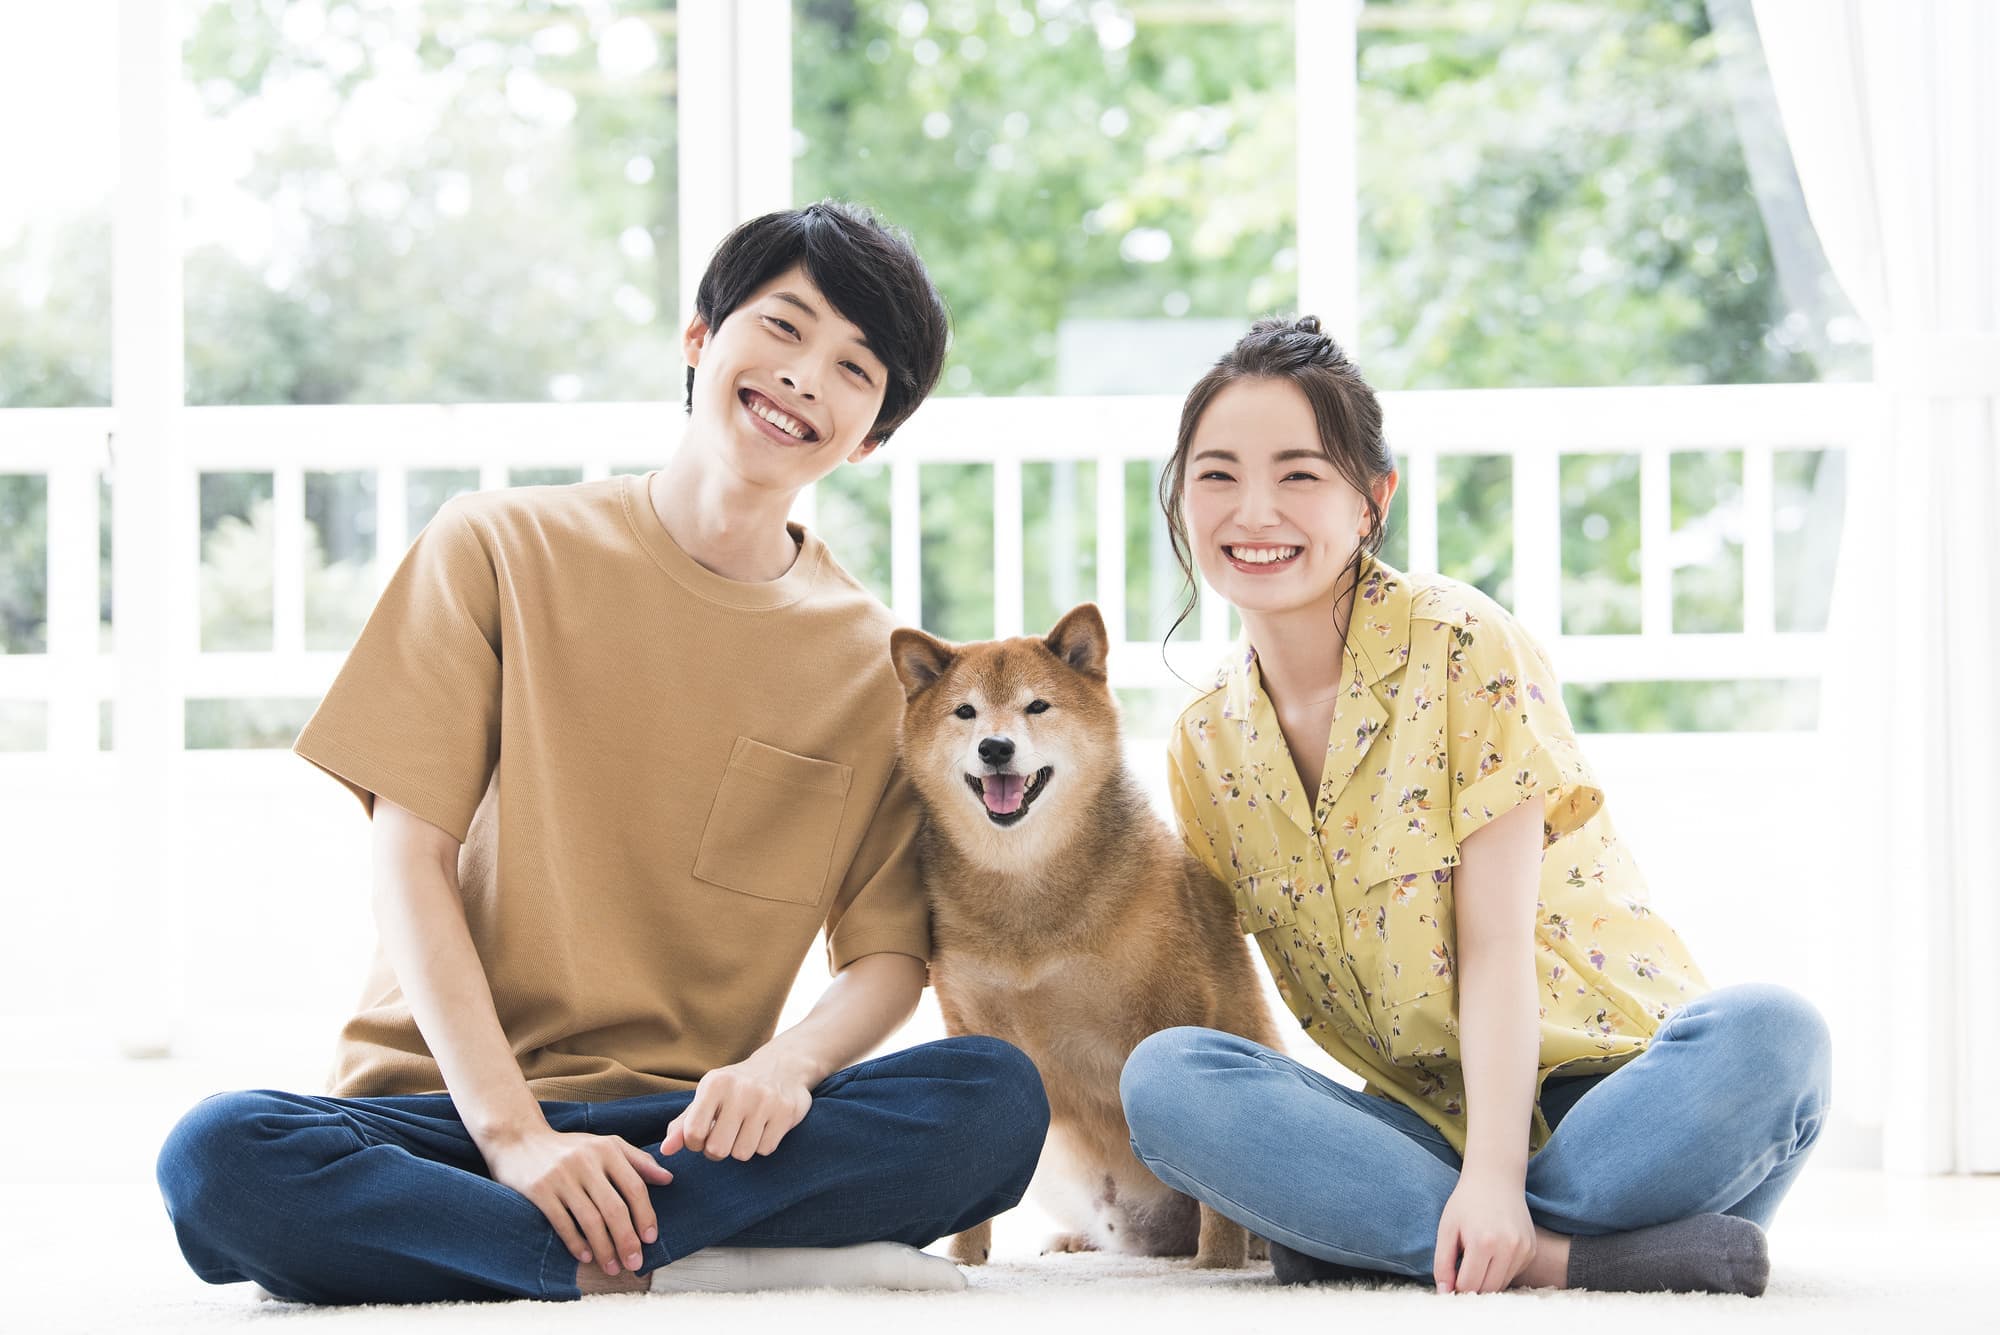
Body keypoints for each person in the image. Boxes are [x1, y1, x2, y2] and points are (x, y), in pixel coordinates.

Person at [155, 201, 1049, 1305]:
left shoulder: (881, 670)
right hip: (443, 1113)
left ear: (871, 435)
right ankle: (689, 1261)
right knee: (219, 1156)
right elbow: (408, 858)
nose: (803, 376)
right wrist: (516, 1137)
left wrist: (783, 1068)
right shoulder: (493, 546)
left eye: (853, 369)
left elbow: (886, 960)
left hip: (688, 1132)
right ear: (698, 338)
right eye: (782, 327)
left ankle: (541, 1253)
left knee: (993, 1098)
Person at [1119, 316, 1830, 1296]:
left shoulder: (1462, 644)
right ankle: (1583, 1260)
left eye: (1298, 474)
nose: (1254, 510)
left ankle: (1416, 1236)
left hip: (1619, 1105)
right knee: (1166, 1079)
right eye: (1216, 474)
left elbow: (1493, 944)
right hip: (1424, 1130)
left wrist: (1492, 1183)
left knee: (1774, 1034)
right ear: (1179, 495)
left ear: (1371, 501)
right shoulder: (1205, 744)